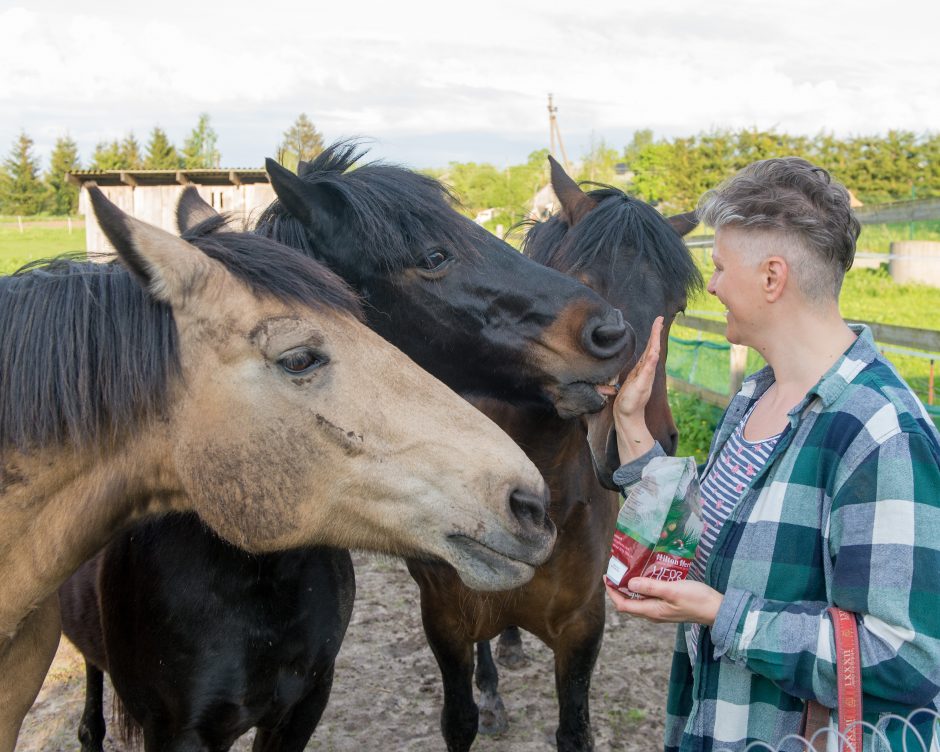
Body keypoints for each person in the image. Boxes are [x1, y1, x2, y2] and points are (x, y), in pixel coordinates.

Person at [601, 158, 940, 751]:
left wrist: (721, 614)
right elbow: (698, 539)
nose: (710, 285)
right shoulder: (755, 395)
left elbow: (905, 657)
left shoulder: (879, 431)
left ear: (772, 277)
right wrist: (629, 421)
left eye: (720, 266)